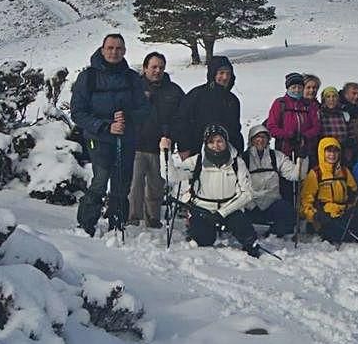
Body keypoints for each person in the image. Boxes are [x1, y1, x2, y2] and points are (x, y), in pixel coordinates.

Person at [72, 34, 151, 235]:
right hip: (98, 138)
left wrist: (128, 117)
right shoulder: (88, 77)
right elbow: (78, 113)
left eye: (118, 48)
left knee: (122, 182)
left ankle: (117, 223)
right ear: (102, 49)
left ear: (124, 51)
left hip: (126, 138)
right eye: (110, 48)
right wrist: (105, 126)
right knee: (101, 178)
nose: (114, 52)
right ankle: (86, 223)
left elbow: (145, 109)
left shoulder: (132, 78)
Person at [169, 124, 262, 255]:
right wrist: (165, 152)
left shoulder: (237, 162)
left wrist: (222, 213)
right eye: (211, 142)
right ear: (206, 143)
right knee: (204, 239)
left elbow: (247, 194)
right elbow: (171, 175)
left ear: (226, 142)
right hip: (203, 209)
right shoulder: (196, 162)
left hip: (229, 208)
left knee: (248, 235)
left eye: (219, 141)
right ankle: (197, 230)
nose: (216, 145)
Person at [129, 51, 182, 228]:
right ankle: (132, 217)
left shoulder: (173, 91)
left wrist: (171, 135)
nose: (157, 70)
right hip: (136, 144)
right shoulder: (133, 88)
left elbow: (181, 118)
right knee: (135, 184)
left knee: (156, 185)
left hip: (161, 147)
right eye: (153, 67)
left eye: (161, 67)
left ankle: (153, 217)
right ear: (145, 68)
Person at [300, 137, 358, 244]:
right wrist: (314, 215)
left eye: (335, 151)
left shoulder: (344, 171)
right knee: (335, 230)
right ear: (322, 152)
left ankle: (348, 231)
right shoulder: (316, 173)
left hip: (344, 211)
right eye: (329, 151)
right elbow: (306, 200)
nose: (332, 155)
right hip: (326, 215)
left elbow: (354, 191)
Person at [175, 55, 239, 160]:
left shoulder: (232, 100)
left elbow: (235, 129)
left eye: (228, 73)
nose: (225, 77)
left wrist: (238, 149)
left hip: (226, 154)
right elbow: (181, 122)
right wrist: (184, 147)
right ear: (213, 74)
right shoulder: (196, 95)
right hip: (196, 152)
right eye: (221, 73)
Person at [242, 125, 301, 237]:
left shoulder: (276, 156)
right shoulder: (243, 159)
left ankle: (274, 233)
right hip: (250, 204)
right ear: (251, 139)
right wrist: (250, 204)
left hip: (272, 202)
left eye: (264, 137)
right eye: (257, 137)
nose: (261, 140)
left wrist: (302, 160)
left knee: (288, 212)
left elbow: (295, 175)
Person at [265, 72, 321, 183]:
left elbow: (317, 126)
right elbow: (271, 126)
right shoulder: (280, 103)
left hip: (304, 149)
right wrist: (287, 134)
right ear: (288, 87)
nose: (297, 90)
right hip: (285, 150)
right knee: (286, 181)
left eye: (300, 87)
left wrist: (305, 135)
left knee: (304, 180)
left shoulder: (309, 105)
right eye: (293, 87)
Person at [318, 87, 354, 162]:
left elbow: (351, 133)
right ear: (324, 99)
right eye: (328, 97)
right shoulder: (320, 114)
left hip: (342, 151)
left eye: (334, 96)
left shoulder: (344, 114)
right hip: (326, 152)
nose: (331, 99)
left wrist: (349, 147)